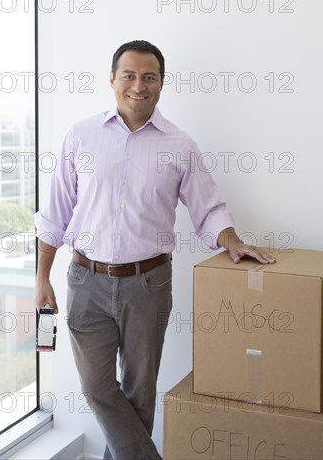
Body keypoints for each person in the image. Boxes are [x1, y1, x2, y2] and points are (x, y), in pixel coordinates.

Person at [34, 40, 276, 460]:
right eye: (128, 75)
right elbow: (54, 212)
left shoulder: (179, 145)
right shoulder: (81, 135)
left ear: (162, 83)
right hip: (85, 280)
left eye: (149, 77)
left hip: (148, 284)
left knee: (140, 393)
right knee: (95, 387)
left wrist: (232, 239)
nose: (138, 85)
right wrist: (41, 279)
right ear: (112, 80)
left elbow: (208, 208)